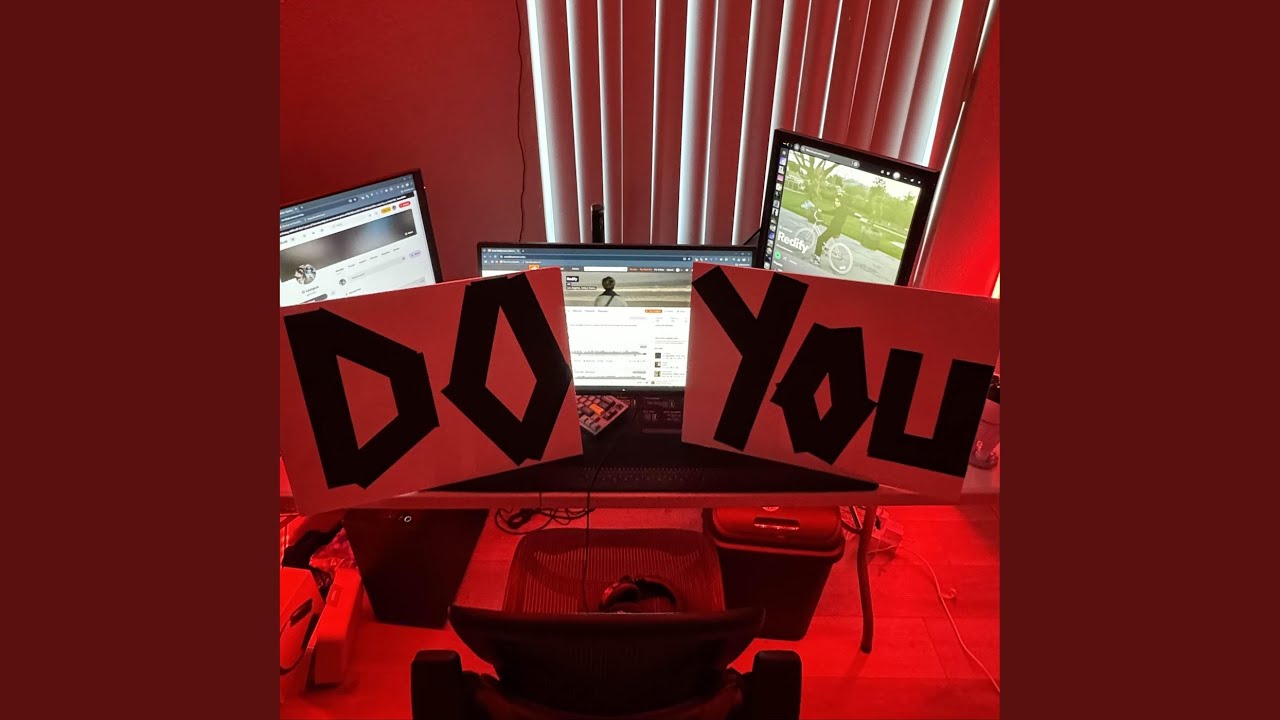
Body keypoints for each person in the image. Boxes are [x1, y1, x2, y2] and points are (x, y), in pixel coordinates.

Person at [812, 194, 850, 262]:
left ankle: (817, 259)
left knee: (820, 239)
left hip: (833, 229)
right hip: (835, 229)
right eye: (835, 201)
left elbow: (837, 221)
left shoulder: (842, 211)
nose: (836, 203)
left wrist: (827, 224)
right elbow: (832, 212)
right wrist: (822, 211)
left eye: (838, 201)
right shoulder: (841, 209)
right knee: (823, 241)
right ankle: (818, 252)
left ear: (841, 202)